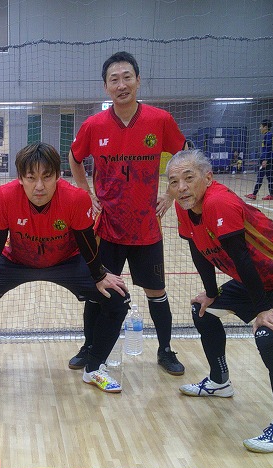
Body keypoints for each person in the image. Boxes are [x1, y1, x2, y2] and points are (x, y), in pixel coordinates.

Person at [167, 149, 273, 453]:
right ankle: (219, 381)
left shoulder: (218, 202)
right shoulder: (183, 206)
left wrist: (262, 310)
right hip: (259, 279)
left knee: (269, 336)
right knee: (203, 310)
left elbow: (241, 258)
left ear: (208, 178)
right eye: (174, 182)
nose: (182, 187)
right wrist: (211, 293)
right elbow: (198, 250)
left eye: (188, 178)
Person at [0, 142, 130, 393]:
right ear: (20, 178)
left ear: (58, 175)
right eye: (31, 178)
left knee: (117, 297)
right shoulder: (4, 196)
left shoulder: (76, 198)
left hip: (66, 261)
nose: (39, 186)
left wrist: (100, 275)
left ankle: (94, 367)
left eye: (47, 177)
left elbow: (86, 241)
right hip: (17, 261)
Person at [68, 51, 187, 377]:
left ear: (138, 80)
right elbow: (74, 157)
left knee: (156, 293)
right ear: (105, 87)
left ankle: (165, 350)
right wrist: (86, 192)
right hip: (107, 227)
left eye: (127, 77)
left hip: (146, 227)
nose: (121, 85)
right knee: (100, 291)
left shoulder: (160, 120)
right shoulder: (93, 125)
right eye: (114, 80)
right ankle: (89, 347)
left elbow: (183, 156)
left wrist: (171, 194)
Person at [246, 119, 273, 200]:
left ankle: (254, 194)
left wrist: (265, 160)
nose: (260, 128)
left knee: (260, 176)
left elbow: (268, 148)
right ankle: (271, 195)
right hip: (271, 159)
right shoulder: (269, 135)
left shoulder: (268, 135)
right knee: (269, 177)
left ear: (265, 127)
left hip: (267, 160)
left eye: (261, 126)